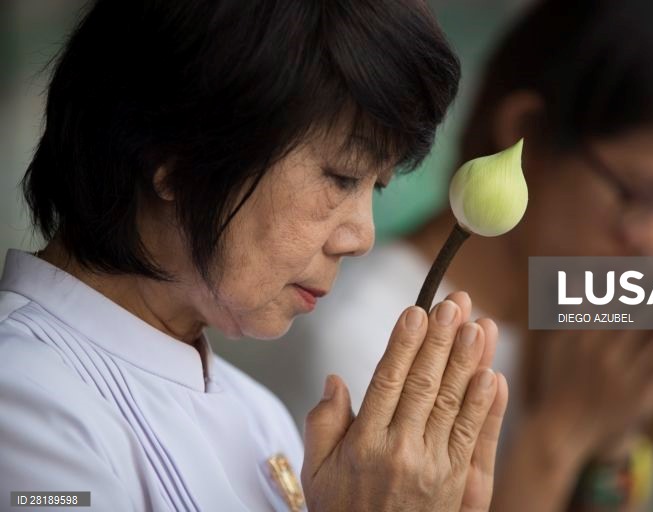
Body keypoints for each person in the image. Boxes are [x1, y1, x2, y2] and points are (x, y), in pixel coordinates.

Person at [0, 1, 514, 511]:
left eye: (373, 188)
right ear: (177, 158)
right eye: (342, 175)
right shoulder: (23, 399)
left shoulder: (261, 417)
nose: (362, 236)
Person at [270, 0, 653, 511]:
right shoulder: (368, 327)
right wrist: (559, 438)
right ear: (528, 134)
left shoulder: (593, 299)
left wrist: (616, 434)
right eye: (638, 195)